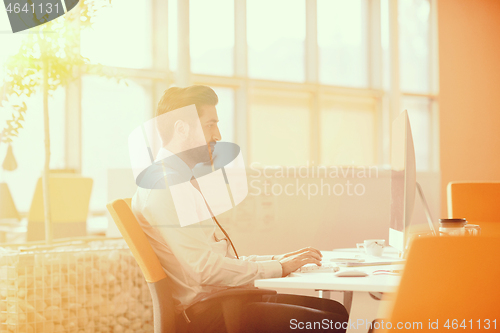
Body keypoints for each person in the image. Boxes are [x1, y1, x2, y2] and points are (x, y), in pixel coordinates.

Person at [132, 85, 348, 332]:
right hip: (211, 314)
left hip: (223, 301)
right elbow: (204, 269)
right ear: (181, 128)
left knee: (334, 312)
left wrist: (279, 260)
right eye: (210, 125)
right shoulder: (165, 187)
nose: (218, 135)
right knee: (332, 322)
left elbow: (217, 260)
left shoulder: (177, 181)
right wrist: (278, 267)